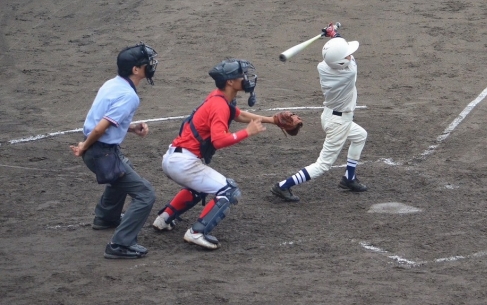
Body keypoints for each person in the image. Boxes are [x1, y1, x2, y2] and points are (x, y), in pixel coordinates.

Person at [152, 58, 290, 250]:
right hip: (184, 163)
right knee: (229, 190)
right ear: (230, 82)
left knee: (201, 186)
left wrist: (271, 120)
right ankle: (197, 232)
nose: (247, 78)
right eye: (242, 76)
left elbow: (239, 114)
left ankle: (164, 218)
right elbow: (219, 140)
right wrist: (247, 132)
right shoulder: (219, 106)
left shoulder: (219, 97)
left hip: (173, 158)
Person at [70, 42, 159, 259]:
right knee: (145, 194)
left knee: (123, 170)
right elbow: (100, 128)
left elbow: (105, 121)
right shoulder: (129, 96)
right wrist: (84, 147)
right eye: (146, 63)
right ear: (136, 69)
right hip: (101, 152)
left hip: (101, 150)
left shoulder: (112, 84)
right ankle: (120, 245)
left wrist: (131, 127)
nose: (150, 66)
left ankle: (106, 217)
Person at [271, 30, 368, 202]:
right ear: (341, 61)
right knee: (323, 164)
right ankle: (283, 186)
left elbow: (334, 55)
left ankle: (349, 178)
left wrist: (334, 38)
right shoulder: (350, 72)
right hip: (339, 123)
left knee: (360, 136)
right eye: (346, 55)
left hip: (329, 116)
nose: (349, 55)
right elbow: (346, 57)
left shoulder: (323, 67)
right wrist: (335, 34)